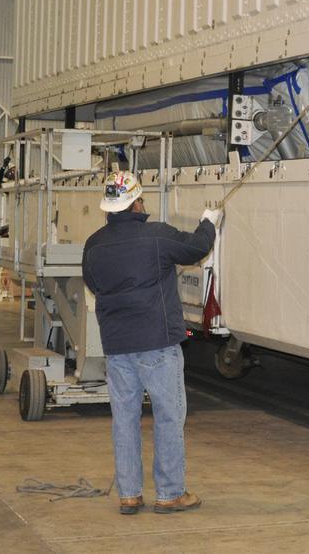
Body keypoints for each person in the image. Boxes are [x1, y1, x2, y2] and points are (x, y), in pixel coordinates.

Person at [82, 171, 219, 516]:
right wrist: (209, 222)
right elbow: (197, 247)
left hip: (116, 346)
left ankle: (129, 494)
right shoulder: (156, 236)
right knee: (168, 417)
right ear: (137, 202)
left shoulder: (93, 245)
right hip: (157, 343)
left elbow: (94, 283)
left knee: (124, 419)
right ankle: (170, 493)